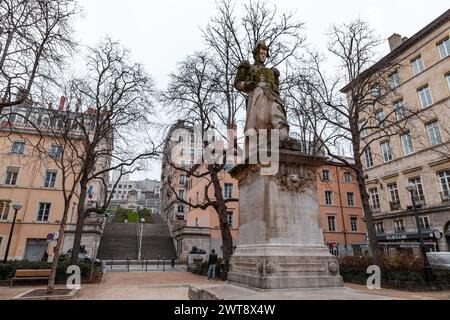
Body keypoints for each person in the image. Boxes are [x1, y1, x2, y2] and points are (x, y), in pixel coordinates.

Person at [234, 41, 290, 142]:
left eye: (265, 54)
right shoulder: (248, 66)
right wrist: (246, 84)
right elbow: (238, 83)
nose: (263, 56)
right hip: (257, 96)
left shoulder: (272, 71)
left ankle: (282, 133)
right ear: (256, 54)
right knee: (261, 113)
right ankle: (261, 137)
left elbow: (276, 88)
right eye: (261, 53)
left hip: (272, 96)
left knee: (276, 111)